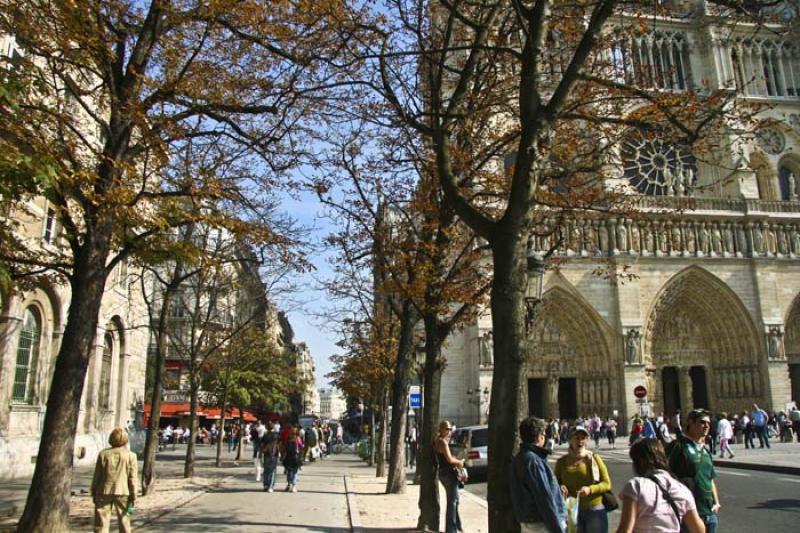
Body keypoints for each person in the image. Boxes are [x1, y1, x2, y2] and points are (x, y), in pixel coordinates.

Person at [616, 438, 705, 533]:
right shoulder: (682, 490)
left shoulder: (636, 485)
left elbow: (625, 529)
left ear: (640, 462)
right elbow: (699, 529)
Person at [667, 409, 721, 533]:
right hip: (688, 514)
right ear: (691, 423)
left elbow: (710, 478)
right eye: (702, 422)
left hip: (709, 513)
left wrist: (716, 502)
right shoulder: (678, 446)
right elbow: (664, 474)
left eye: (708, 423)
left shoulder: (705, 451)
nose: (706, 425)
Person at [510, 416, 566, 533]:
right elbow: (544, 498)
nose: (545, 437)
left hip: (530, 521)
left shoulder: (520, 457)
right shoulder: (533, 461)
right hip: (541, 524)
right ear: (539, 436)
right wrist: (557, 529)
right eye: (544, 434)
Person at [555, 425, 611, 533]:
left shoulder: (594, 458)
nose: (580, 441)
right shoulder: (561, 462)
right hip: (572, 511)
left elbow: (606, 483)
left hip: (594, 510)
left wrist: (590, 489)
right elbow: (556, 483)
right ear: (570, 440)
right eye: (576, 438)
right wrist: (560, 487)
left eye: (583, 438)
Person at [91, 428, 137, 533]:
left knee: (101, 523)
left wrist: (93, 491)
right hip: (123, 491)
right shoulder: (131, 456)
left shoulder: (103, 454)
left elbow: (97, 475)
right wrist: (134, 495)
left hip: (103, 490)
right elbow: (132, 478)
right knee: (124, 521)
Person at [435, 421, 464, 533]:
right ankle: (451, 529)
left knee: (455, 500)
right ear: (441, 429)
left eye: (450, 429)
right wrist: (460, 462)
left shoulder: (438, 440)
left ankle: (457, 526)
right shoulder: (443, 442)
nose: (449, 431)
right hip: (449, 473)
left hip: (443, 473)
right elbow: (450, 460)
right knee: (452, 502)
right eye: (447, 429)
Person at [281, 426, 303, 492]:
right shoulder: (298, 438)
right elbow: (301, 446)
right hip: (295, 457)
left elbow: (284, 448)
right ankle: (293, 486)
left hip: (288, 457)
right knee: (294, 472)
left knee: (289, 471)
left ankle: (289, 484)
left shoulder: (288, 438)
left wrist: (282, 457)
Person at [261, 421, 281, 492]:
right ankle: (271, 486)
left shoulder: (265, 435)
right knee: (273, 470)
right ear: (273, 427)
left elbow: (262, 445)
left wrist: (261, 453)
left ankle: (265, 485)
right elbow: (279, 445)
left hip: (266, 454)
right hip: (274, 454)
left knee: (266, 470)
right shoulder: (277, 435)